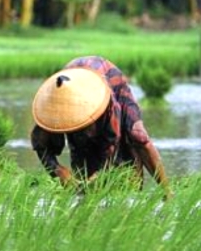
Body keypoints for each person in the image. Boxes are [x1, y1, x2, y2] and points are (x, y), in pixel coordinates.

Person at [30, 55, 172, 197]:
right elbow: (41, 147)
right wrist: (58, 171)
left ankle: (167, 193)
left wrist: (98, 175)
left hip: (110, 81)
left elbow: (111, 146)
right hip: (72, 88)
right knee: (82, 173)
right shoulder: (51, 108)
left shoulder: (105, 102)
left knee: (137, 136)